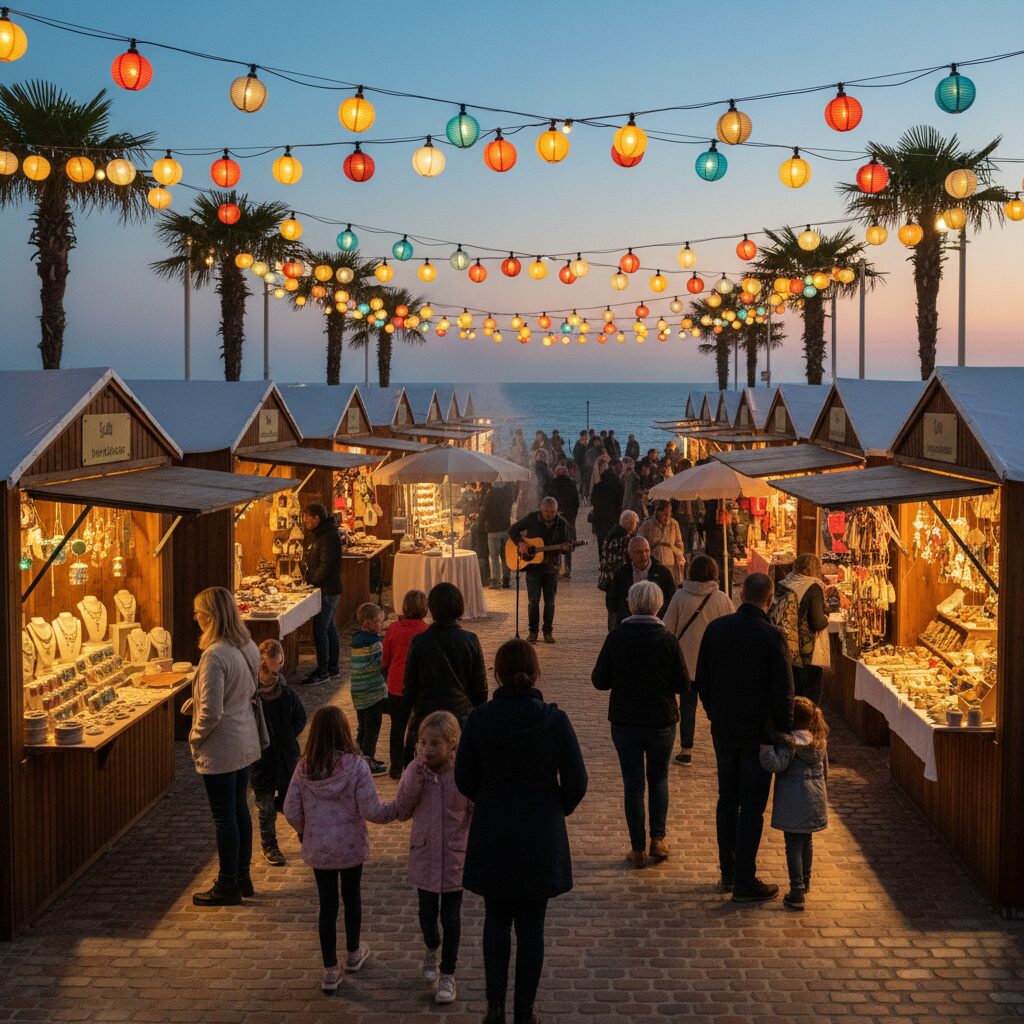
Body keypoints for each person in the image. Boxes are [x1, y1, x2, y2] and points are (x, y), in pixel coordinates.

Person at [455, 639, 588, 1024]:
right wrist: (555, 805)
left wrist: (487, 795)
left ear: (496, 674)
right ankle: (524, 1010)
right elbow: (577, 781)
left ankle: (495, 1006)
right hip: (538, 832)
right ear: (535, 674)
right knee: (532, 926)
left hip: (494, 828)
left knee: (495, 919)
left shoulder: (480, 720)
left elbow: (464, 778)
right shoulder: (554, 720)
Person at [695, 573, 794, 903]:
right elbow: (784, 692)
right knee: (752, 808)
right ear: (769, 601)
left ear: (740, 595)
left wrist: (714, 713)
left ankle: (728, 870)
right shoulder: (772, 636)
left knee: (727, 799)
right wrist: (784, 729)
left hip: (725, 730)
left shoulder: (717, 630)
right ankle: (744, 878)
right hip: (759, 735)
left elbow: (703, 681)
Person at [283, 706, 396, 993]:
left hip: (320, 848)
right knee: (352, 897)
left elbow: (290, 808)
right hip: (350, 846)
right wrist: (398, 809)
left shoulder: (304, 767)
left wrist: (302, 831)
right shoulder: (356, 767)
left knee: (327, 906)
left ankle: (330, 969)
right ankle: (354, 952)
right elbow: (371, 809)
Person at [592, 580, 686, 869]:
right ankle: (658, 838)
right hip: (660, 720)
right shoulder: (668, 640)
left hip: (626, 721)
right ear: (659, 605)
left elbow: (599, 680)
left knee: (633, 786)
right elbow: (682, 683)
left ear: (631, 604)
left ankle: (637, 848)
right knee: (658, 779)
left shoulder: (617, 637)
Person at [389, 711, 473, 1005]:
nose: (427, 748)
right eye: (423, 742)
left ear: (452, 745)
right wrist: (415, 774)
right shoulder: (416, 771)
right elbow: (403, 806)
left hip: (453, 858)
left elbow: (473, 810)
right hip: (424, 855)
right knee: (427, 916)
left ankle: (448, 973)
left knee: (451, 918)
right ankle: (431, 946)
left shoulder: (462, 774)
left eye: (435, 743)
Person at [188, 587, 263, 907]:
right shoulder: (246, 646)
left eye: (199, 614)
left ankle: (227, 883)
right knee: (239, 810)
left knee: (224, 817)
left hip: (222, 744)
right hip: (244, 737)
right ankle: (242, 876)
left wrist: (194, 737)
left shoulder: (215, 655)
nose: (196, 619)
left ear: (211, 617)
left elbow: (212, 711)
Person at [662, 554, 734, 767]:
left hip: (687, 663)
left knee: (687, 707)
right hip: (714, 664)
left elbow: (668, 629)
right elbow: (731, 630)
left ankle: (686, 750)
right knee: (716, 707)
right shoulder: (722, 599)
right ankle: (723, 744)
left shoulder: (680, 597)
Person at [759, 696, 829, 911]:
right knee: (806, 841)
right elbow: (825, 773)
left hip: (793, 800)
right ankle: (805, 881)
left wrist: (765, 748)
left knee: (793, 845)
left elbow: (775, 764)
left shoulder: (790, 744)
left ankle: (796, 890)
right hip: (814, 800)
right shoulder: (819, 742)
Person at [403, 583, 488, 754]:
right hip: (460, 716)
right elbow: (480, 689)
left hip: (425, 717)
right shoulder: (469, 640)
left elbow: (409, 687)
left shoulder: (419, 641)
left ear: (431, 607)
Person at [251, 638, 307, 866]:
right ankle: (270, 845)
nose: (271, 675)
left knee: (291, 801)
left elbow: (300, 717)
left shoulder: (285, 692)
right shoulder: (252, 696)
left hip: (285, 757)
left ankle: (306, 834)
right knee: (265, 808)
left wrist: (287, 735)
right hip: (261, 759)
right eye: (267, 669)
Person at [771, 553, 831, 705]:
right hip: (807, 652)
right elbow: (817, 622)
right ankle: (807, 726)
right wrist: (827, 618)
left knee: (791, 692)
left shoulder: (784, 583)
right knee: (808, 698)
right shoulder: (814, 587)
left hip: (784, 646)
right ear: (815, 568)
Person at [509, 496, 570, 644]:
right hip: (533, 568)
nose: (549, 514)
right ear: (541, 509)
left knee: (550, 602)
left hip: (551, 568)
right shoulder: (532, 518)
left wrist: (566, 549)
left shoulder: (561, 523)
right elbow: (513, 530)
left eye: (552, 512)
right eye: (546, 511)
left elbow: (565, 546)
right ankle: (533, 632)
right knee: (533, 601)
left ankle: (548, 632)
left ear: (556, 511)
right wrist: (521, 543)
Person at [382, 590, 429, 779]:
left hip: (396, 684)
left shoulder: (394, 628)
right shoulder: (425, 630)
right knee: (415, 728)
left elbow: (386, 658)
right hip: (417, 687)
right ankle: (410, 764)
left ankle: (395, 766)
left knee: (397, 726)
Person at [301, 503, 344, 685]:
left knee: (320, 629)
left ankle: (323, 671)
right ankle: (332, 667)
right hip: (328, 588)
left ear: (317, 518)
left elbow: (327, 566)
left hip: (327, 590)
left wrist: (312, 580)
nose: (304, 521)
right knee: (329, 628)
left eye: (307, 517)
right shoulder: (323, 535)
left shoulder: (327, 537)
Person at [350, 602, 388, 775]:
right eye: (380, 621)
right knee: (372, 729)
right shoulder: (375, 644)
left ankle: (358, 759)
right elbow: (382, 665)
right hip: (372, 692)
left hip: (358, 692)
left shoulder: (357, 640)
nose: (382, 624)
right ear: (368, 623)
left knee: (363, 726)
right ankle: (367, 764)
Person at [606, 536, 676, 630]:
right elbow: (611, 602)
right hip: (628, 628)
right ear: (630, 554)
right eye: (638, 552)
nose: (644, 556)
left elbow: (672, 600)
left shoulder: (662, 573)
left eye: (647, 551)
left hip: (655, 628)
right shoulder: (621, 574)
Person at [638, 500, 687, 585]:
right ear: (658, 512)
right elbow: (640, 543)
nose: (667, 516)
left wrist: (673, 548)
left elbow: (680, 546)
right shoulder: (647, 524)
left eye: (669, 513)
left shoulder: (674, 524)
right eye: (665, 513)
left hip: (670, 565)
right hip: (653, 564)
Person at [544, 465, 580, 579]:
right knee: (568, 543)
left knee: (556, 543)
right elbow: (576, 502)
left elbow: (547, 500)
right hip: (569, 517)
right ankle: (568, 569)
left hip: (556, 517)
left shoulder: (552, 484)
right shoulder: (571, 484)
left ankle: (557, 568)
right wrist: (573, 515)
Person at [480, 481, 515, 589]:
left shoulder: (490, 494)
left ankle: (495, 581)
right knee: (505, 556)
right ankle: (506, 580)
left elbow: (485, 511)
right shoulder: (507, 493)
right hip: (506, 527)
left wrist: (479, 521)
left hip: (493, 529)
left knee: (494, 557)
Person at [598, 510, 639, 599]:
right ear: (629, 523)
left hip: (613, 577)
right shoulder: (620, 537)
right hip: (616, 579)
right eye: (635, 523)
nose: (635, 526)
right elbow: (619, 560)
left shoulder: (616, 533)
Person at [589, 467, 623, 549]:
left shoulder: (597, 487)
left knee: (600, 541)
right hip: (611, 518)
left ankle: (602, 558)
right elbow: (619, 503)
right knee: (611, 540)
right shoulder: (614, 488)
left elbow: (592, 501)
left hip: (598, 519)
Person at [572, 430, 589, 496]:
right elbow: (575, 454)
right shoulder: (578, 443)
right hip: (580, 463)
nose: (586, 436)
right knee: (582, 478)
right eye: (585, 435)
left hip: (585, 463)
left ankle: (583, 491)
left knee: (585, 478)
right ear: (582, 436)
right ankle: (581, 492)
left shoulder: (586, 443)